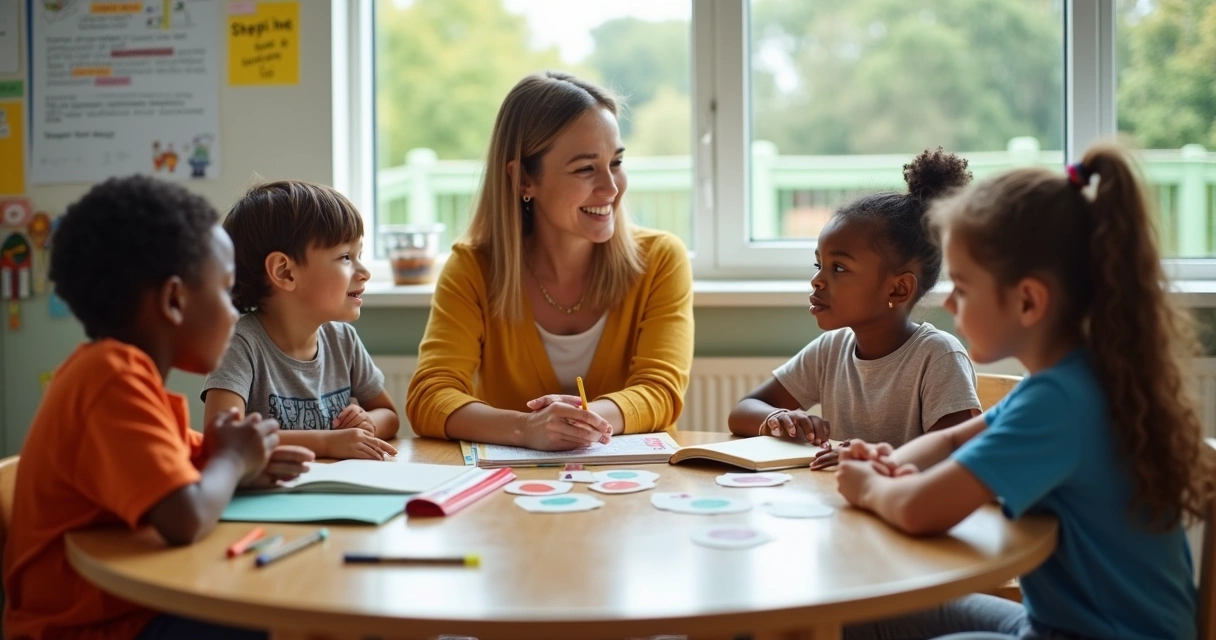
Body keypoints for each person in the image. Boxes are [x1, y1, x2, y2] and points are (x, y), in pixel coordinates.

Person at [838, 144, 1216, 639]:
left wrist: (869, 486)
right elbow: (955, 442)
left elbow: (916, 509)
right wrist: (896, 462)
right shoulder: (1073, 378)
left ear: (1028, 301)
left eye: (965, 287)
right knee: (870, 613)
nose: (949, 302)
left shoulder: (1056, 403)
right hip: (1062, 624)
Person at [3, 176, 313, 640]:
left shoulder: (121, 376)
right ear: (173, 300)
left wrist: (242, 464)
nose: (235, 313)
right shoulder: (111, 378)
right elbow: (184, 518)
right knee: (288, 622)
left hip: (132, 610)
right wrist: (230, 459)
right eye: (226, 292)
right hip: (92, 629)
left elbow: (185, 466)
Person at [406, 71, 694, 451]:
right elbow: (430, 396)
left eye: (617, 162)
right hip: (510, 490)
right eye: (585, 169)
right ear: (523, 179)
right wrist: (527, 428)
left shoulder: (661, 260)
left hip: (632, 486)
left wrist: (576, 421)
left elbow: (660, 392)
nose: (611, 188)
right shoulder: (472, 268)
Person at [728, 148, 980, 470]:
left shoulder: (938, 357)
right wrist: (779, 418)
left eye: (839, 269)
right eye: (819, 264)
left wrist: (871, 460)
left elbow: (959, 458)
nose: (817, 281)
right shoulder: (831, 350)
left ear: (898, 289)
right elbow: (743, 411)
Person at [202, 181, 399, 461]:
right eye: (345, 257)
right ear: (285, 272)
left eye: (360, 255)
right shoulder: (240, 345)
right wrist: (327, 442)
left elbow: (389, 415)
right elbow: (221, 436)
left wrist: (368, 423)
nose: (364, 272)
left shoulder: (342, 340)